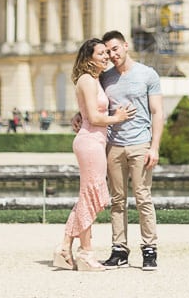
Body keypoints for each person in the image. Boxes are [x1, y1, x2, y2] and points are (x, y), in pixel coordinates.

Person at [54, 38, 134, 272]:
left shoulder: (94, 79)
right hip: (90, 142)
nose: (106, 56)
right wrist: (118, 118)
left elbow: (86, 113)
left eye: (107, 53)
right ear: (89, 57)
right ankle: (85, 253)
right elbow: (95, 118)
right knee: (91, 197)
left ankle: (65, 246)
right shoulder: (87, 80)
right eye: (101, 53)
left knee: (89, 197)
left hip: (96, 141)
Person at [100, 29, 163, 271]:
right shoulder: (105, 78)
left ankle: (149, 249)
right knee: (117, 200)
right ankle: (119, 250)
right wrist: (77, 116)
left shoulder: (148, 74)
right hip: (114, 145)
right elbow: (96, 105)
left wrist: (154, 147)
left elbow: (157, 112)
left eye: (115, 49)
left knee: (143, 198)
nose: (112, 55)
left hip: (140, 144)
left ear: (126, 46)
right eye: (108, 52)